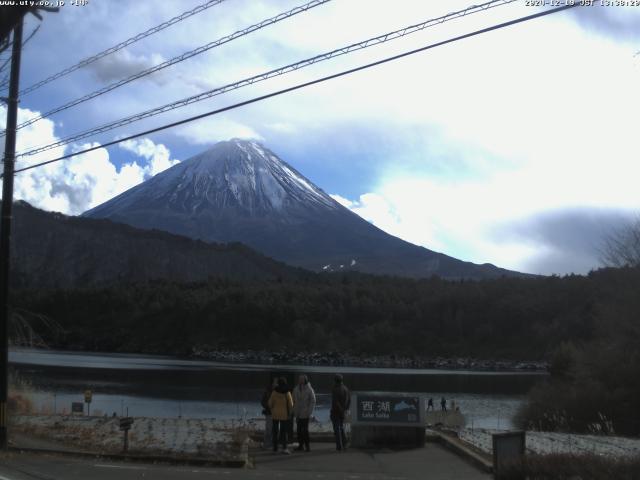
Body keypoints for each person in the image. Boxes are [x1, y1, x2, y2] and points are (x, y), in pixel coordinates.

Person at [268, 376, 294, 454]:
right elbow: (291, 404)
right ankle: (284, 448)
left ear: (278, 383)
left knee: (275, 432)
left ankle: (275, 448)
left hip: (275, 414)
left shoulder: (274, 392)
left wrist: (272, 409)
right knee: (283, 432)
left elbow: (270, 404)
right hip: (284, 415)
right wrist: (290, 413)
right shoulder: (287, 392)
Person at [293, 374, 316, 452]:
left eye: (301, 379)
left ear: (305, 380)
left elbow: (313, 401)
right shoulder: (296, 389)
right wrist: (294, 411)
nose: (300, 380)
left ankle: (307, 446)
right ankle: (300, 445)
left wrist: (309, 412)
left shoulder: (309, 389)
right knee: (299, 430)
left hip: (305, 413)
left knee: (305, 430)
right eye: (299, 379)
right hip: (298, 413)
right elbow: (293, 400)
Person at [330, 374, 350, 451]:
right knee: (341, 428)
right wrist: (345, 409)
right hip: (343, 411)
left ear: (335, 380)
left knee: (336, 429)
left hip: (335, 411)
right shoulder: (346, 388)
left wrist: (340, 409)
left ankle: (339, 446)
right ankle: (344, 444)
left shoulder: (335, 389)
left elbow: (336, 402)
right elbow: (349, 400)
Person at [261, 378, 278, 449]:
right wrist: (267, 406)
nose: (275, 384)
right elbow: (262, 401)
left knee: (275, 429)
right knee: (268, 428)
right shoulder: (267, 390)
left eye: (276, 382)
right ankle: (266, 443)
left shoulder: (279, 391)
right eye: (274, 382)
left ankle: (272, 443)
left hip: (277, 413)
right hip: (269, 412)